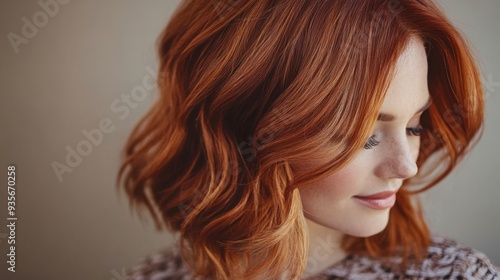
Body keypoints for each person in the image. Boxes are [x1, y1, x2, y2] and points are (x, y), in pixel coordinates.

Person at [117, 0, 500, 279]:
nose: (406, 166)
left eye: (415, 126)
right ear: (245, 124)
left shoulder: (458, 274)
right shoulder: (153, 275)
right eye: (363, 133)